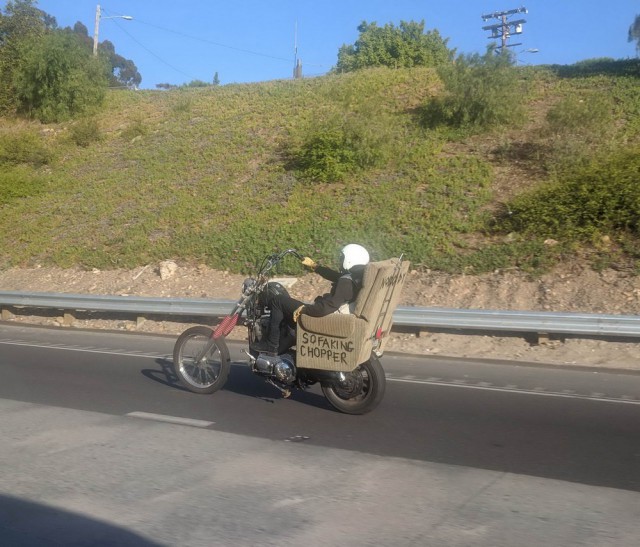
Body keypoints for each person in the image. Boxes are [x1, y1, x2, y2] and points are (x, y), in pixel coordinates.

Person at [259, 243, 370, 356]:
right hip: (342, 314)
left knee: (278, 300)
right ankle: (289, 338)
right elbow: (336, 276)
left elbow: (325, 308)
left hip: (329, 318)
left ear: (350, 259)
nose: (340, 261)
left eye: (342, 258)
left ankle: (271, 345)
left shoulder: (346, 282)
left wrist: (304, 310)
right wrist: (315, 267)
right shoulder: (359, 276)